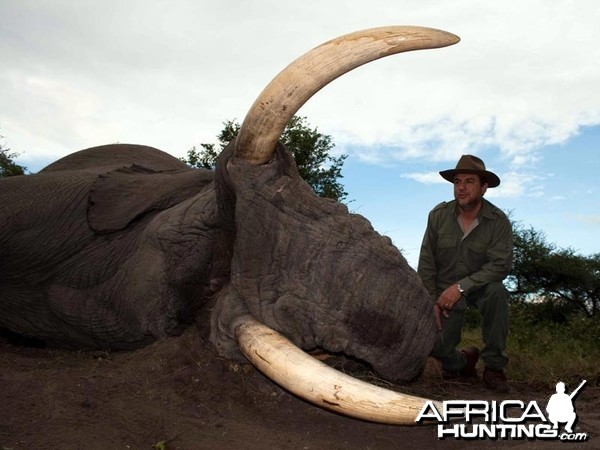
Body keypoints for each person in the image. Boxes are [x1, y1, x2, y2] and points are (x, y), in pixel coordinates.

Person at [418, 155, 513, 392]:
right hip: (443, 292)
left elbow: (500, 266)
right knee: (436, 348)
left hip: (480, 287)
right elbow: (427, 262)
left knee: (497, 293)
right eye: (457, 181)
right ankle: (464, 361)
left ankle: (494, 367)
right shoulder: (438, 215)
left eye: (469, 181)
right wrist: (431, 301)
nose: (461, 187)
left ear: (484, 187)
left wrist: (461, 287)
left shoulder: (499, 221)